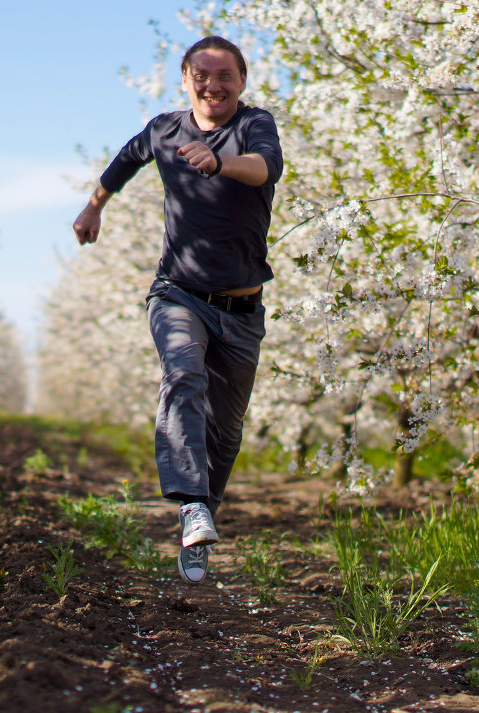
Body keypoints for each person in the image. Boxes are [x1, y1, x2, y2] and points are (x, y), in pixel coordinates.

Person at [72, 36, 284, 585]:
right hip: (178, 292)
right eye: (202, 76)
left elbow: (265, 169)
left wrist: (220, 162)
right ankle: (190, 503)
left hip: (241, 306)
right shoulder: (164, 129)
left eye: (225, 77)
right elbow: (124, 162)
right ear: (185, 80)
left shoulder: (255, 125)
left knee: (226, 430)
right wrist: (93, 207)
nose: (213, 86)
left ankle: (203, 517)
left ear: (241, 80)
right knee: (182, 375)